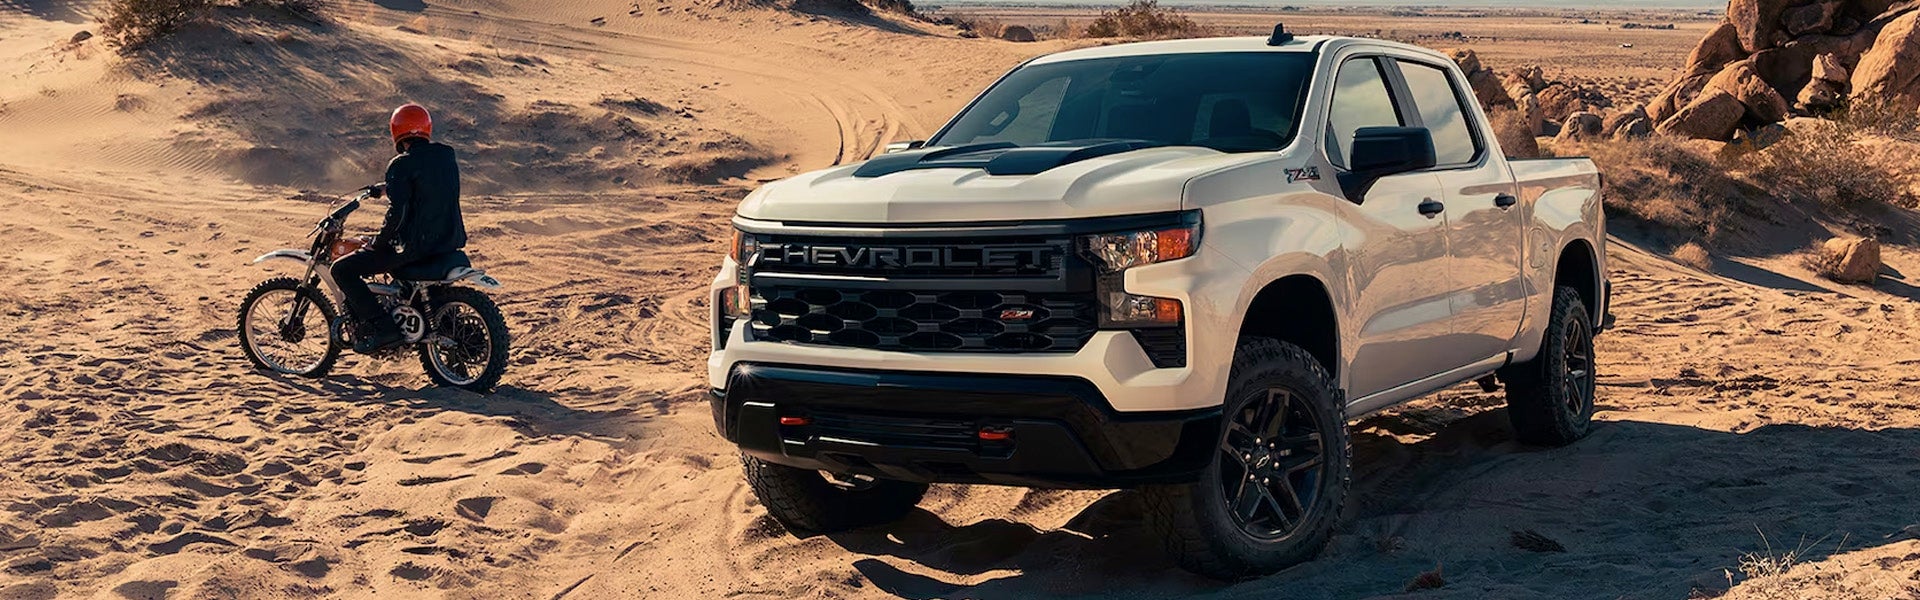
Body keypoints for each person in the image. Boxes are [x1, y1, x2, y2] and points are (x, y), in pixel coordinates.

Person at [333, 103, 468, 354]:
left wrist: (379, 242)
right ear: (426, 128)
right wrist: (387, 187)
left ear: (396, 131)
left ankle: (384, 329)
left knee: (342, 269)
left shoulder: (399, 165)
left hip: (414, 247)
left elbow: (399, 212)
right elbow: (426, 180)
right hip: (448, 240)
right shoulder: (446, 156)